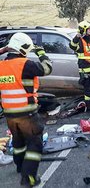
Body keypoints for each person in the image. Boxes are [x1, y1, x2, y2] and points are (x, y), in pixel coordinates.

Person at [0, 32, 52, 187]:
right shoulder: (25, 64)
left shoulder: (2, 66)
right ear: (23, 48)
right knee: (35, 145)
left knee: (18, 142)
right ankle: (28, 177)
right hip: (27, 114)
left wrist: (3, 50)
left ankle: (20, 167)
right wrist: (42, 53)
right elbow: (47, 68)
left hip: (10, 114)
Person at [70, 21, 90, 113]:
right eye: (88, 29)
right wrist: (76, 37)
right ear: (83, 30)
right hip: (86, 71)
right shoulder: (79, 41)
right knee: (89, 91)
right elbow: (72, 46)